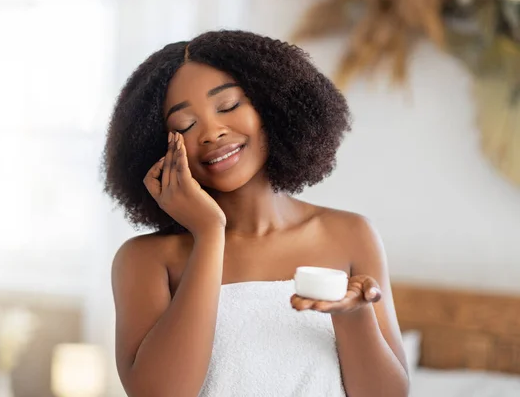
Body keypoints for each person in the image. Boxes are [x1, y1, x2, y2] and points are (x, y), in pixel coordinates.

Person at [103, 30, 409, 397]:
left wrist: (353, 316)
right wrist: (209, 234)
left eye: (228, 105)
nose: (212, 132)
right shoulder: (146, 260)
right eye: (184, 125)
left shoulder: (350, 234)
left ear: (272, 105)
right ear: (160, 147)